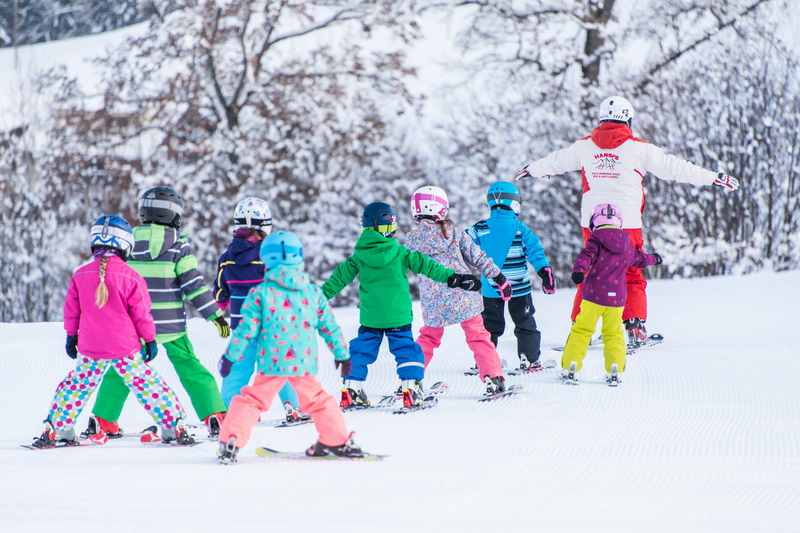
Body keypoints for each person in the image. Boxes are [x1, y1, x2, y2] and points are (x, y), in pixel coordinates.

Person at [515, 95, 740, 347]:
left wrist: (532, 169)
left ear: (601, 119)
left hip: (593, 221)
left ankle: (581, 330)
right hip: (628, 222)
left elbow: (555, 162)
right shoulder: (640, 148)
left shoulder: (584, 146)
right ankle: (634, 326)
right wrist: (713, 177)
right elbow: (676, 168)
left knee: (591, 272)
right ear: (629, 120)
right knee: (632, 272)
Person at [32, 215, 194, 448]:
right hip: (125, 348)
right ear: (126, 244)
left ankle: (57, 428)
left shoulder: (80, 275)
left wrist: (71, 335)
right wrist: (149, 340)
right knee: (148, 385)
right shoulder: (132, 277)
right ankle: (172, 425)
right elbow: (142, 314)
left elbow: (71, 311)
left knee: (75, 386)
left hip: (90, 347)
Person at [85, 186, 230, 441]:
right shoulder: (178, 246)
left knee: (123, 370)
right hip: (171, 325)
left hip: (135, 326)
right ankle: (214, 415)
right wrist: (214, 315)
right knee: (190, 368)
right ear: (174, 215)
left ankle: (103, 419)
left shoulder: (127, 242)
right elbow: (193, 284)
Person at [217, 231, 360, 463]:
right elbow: (329, 326)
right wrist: (342, 355)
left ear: (265, 259)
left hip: (272, 363)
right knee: (319, 400)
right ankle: (336, 440)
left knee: (252, 400)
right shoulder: (313, 292)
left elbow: (245, 330)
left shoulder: (260, 293)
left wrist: (230, 358)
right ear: (299, 257)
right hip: (302, 363)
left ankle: (231, 439)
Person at [322, 201, 481, 409]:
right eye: (390, 226)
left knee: (361, 349)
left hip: (372, 317)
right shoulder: (400, 253)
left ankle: (351, 389)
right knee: (407, 350)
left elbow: (337, 280)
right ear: (382, 227)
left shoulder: (358, 257)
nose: (393, 230)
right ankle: (411, 389)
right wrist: (454, 278)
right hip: (398, 316)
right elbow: (428, 266)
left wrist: (315, 299)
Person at [404, 185, 512, 395]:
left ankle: (410, 380)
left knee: (428, 338)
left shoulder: (411, 241)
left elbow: (400, 268)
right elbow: (478, 257)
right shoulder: (454, 233)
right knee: (478, 336)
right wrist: (499, 277)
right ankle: (493, 378)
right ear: (441, 208)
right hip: (463, 295)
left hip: (434, 302)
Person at [214, 197, 308, 424]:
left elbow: (220, 292)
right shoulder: (270, 258)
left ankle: (229, 411)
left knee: (236, 371)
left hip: (242, 328)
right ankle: (294, 407)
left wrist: (222, 305)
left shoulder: (227, 259)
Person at [561, 203, 662, 385]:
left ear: (595, 222)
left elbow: (586, 256)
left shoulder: (595, 238)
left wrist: (579, 271)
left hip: (593, 296)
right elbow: (639, 259)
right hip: (617, 299)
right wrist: (654, 258)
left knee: (582, 330)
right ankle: (614, 366)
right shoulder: (626, 241)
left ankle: (571, 364)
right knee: (614, 333)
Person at [466, 181, 556, 372]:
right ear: (514, 202)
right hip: (519, 288)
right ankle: (529, 358)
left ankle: (485, 362)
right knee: (525, 322)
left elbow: (463, 246)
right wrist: (544, 272)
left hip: (491, 288)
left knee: (489, 327)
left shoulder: (480, 227)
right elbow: (535, 252)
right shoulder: (520, 228)